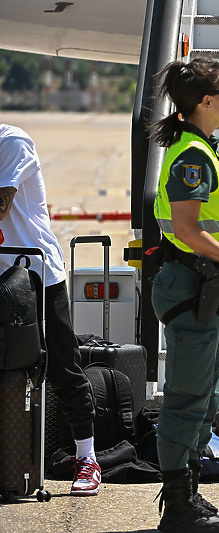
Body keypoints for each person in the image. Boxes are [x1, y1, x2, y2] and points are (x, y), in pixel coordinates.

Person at [149, 57, 219, 533]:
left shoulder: (200, 147)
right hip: (193, 283)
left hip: (204, 285)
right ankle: (178, 507)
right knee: (188, 397)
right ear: (206, 102)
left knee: (206, 396)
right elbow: (187, 228)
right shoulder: (192, 155)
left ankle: (190, 495)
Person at [0, 124, 102, 497]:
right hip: (2, 271)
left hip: (36, 273)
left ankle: (86, 458)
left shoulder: (11, 141)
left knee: (61, 366)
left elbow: (1, 205)